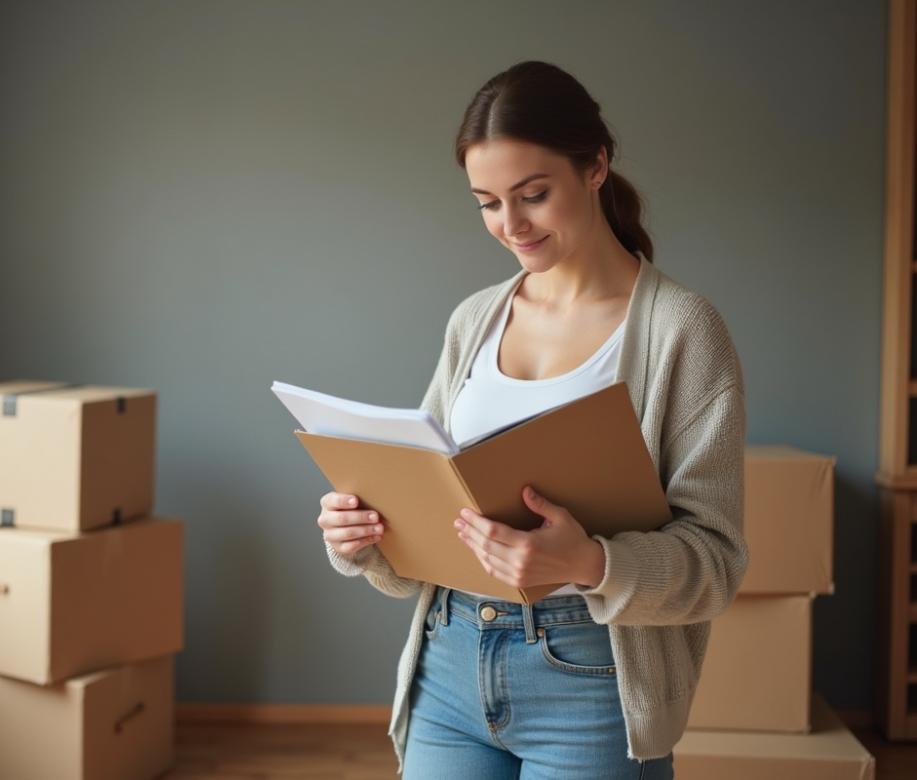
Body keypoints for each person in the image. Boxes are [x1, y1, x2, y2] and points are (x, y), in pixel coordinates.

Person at [316, 60, 748, 780]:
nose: (510, 225)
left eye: (533, 195)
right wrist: (362, 534)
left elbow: (716, 565)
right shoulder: (473, 321)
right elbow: (426, 509)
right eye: (486, 202)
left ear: (596, 166)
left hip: (592, 675)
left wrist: (589, 562)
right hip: (449, 659)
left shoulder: (682, 331)